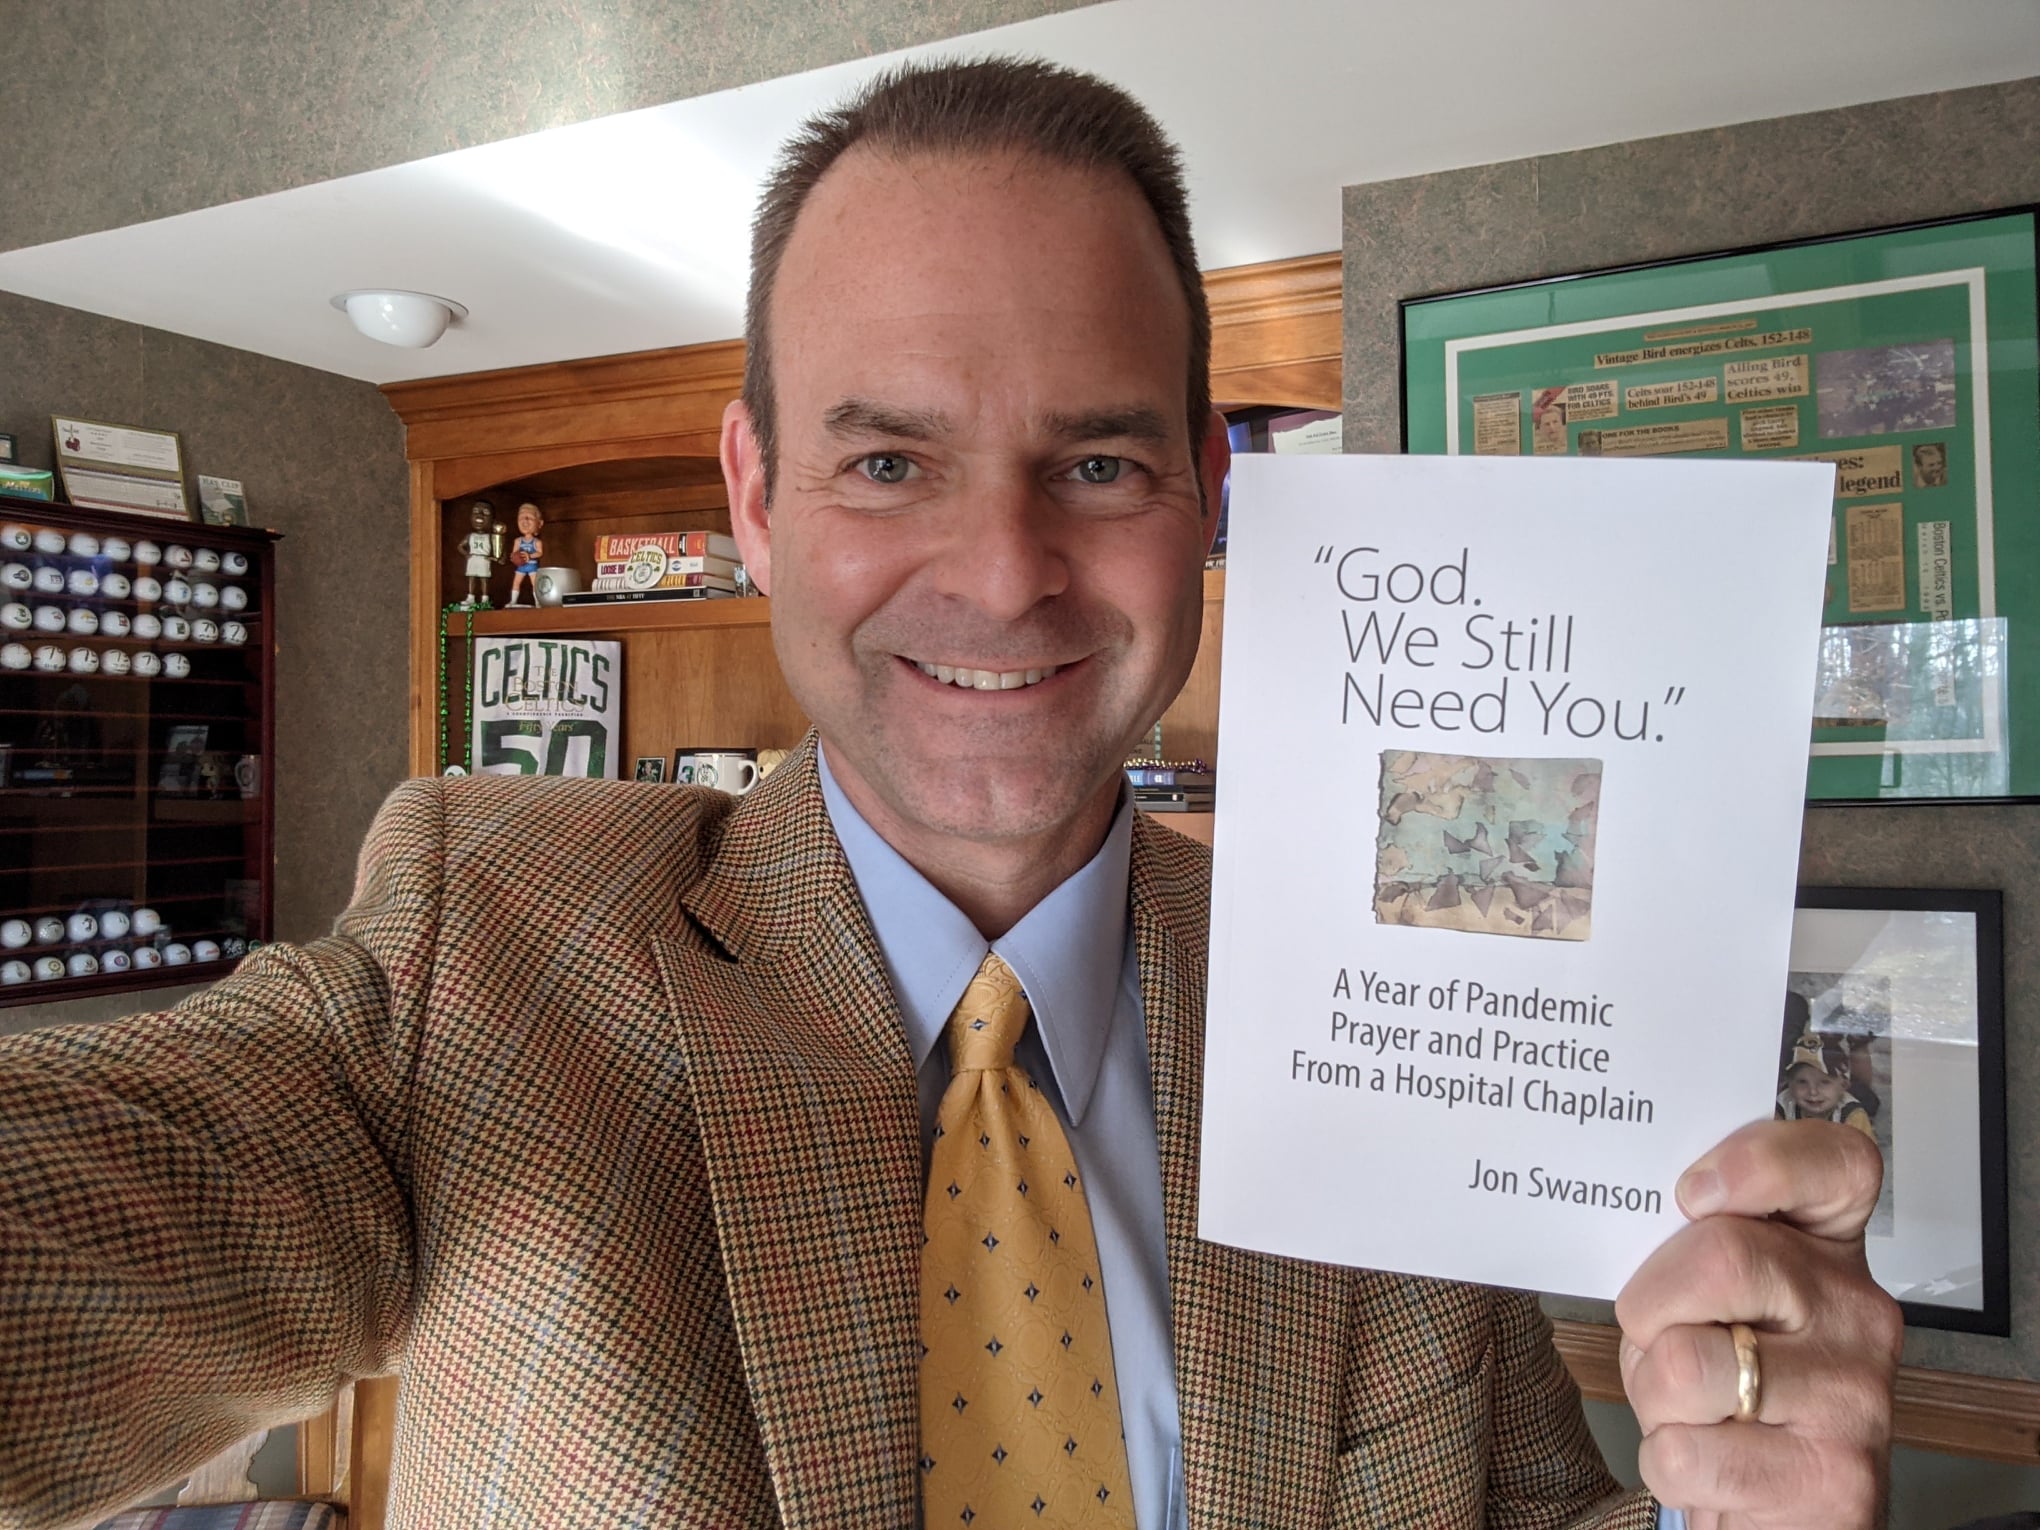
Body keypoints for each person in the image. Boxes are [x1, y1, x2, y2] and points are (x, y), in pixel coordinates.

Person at [0, 59, 1897, 1530]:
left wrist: (1739, 1497)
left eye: (1098, 463)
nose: (1003, 575)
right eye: (891, 462)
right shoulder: (476, 946)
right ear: (756, 497)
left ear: (1206, 496)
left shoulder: (1378, 997)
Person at [1776, 1032, 1879, 1142]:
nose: (1813, 1092)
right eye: (1802, 1082)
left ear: (1844, 1085)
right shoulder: (1782, 1107)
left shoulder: (1853, 1115)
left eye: (1824, 1082)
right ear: (1789, 1084)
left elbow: (1865, 1151)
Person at [505, 501, 545, 607]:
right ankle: (513, 601)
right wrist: (513, 557)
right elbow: (514, 552)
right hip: (521, 566)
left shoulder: (537, 542)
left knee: (535, 584)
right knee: (516, 582)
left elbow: (540, 553)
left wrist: (529, 556)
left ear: (539, 523)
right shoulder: (518, 541)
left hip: (532, 565)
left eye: (529, 517)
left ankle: (538, 601)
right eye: (521, 517)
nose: (525, 520)